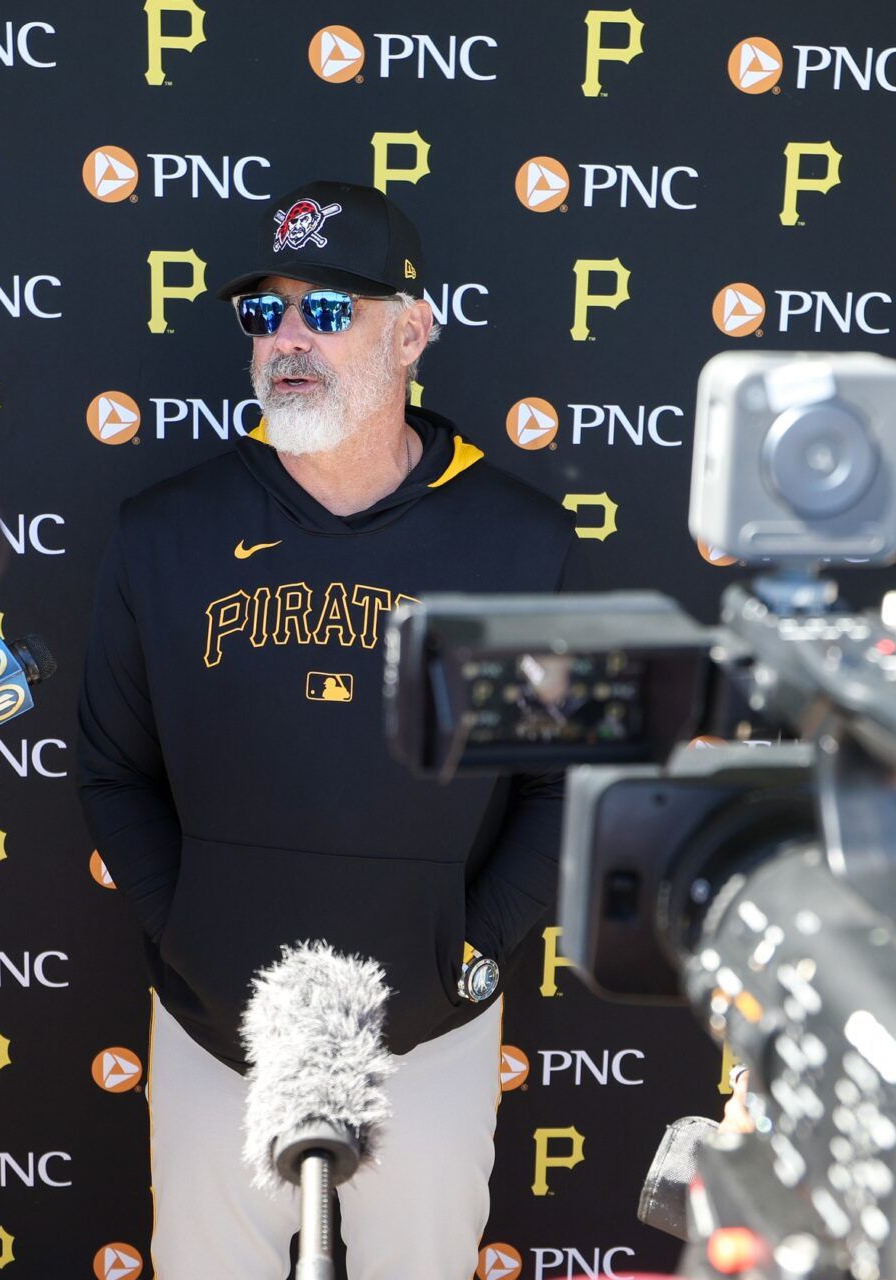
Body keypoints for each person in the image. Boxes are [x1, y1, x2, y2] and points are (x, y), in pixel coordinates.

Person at [76, 180, 576, 1279]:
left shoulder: (514, 542)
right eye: (266, 314)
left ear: (412, 331)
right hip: (218, 1028)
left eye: (328, 309)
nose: (288, 338)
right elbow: (114, 769)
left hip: (429, 1030)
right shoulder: (168, 532)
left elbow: (558, 787)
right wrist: (192, 944)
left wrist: (472, 949)